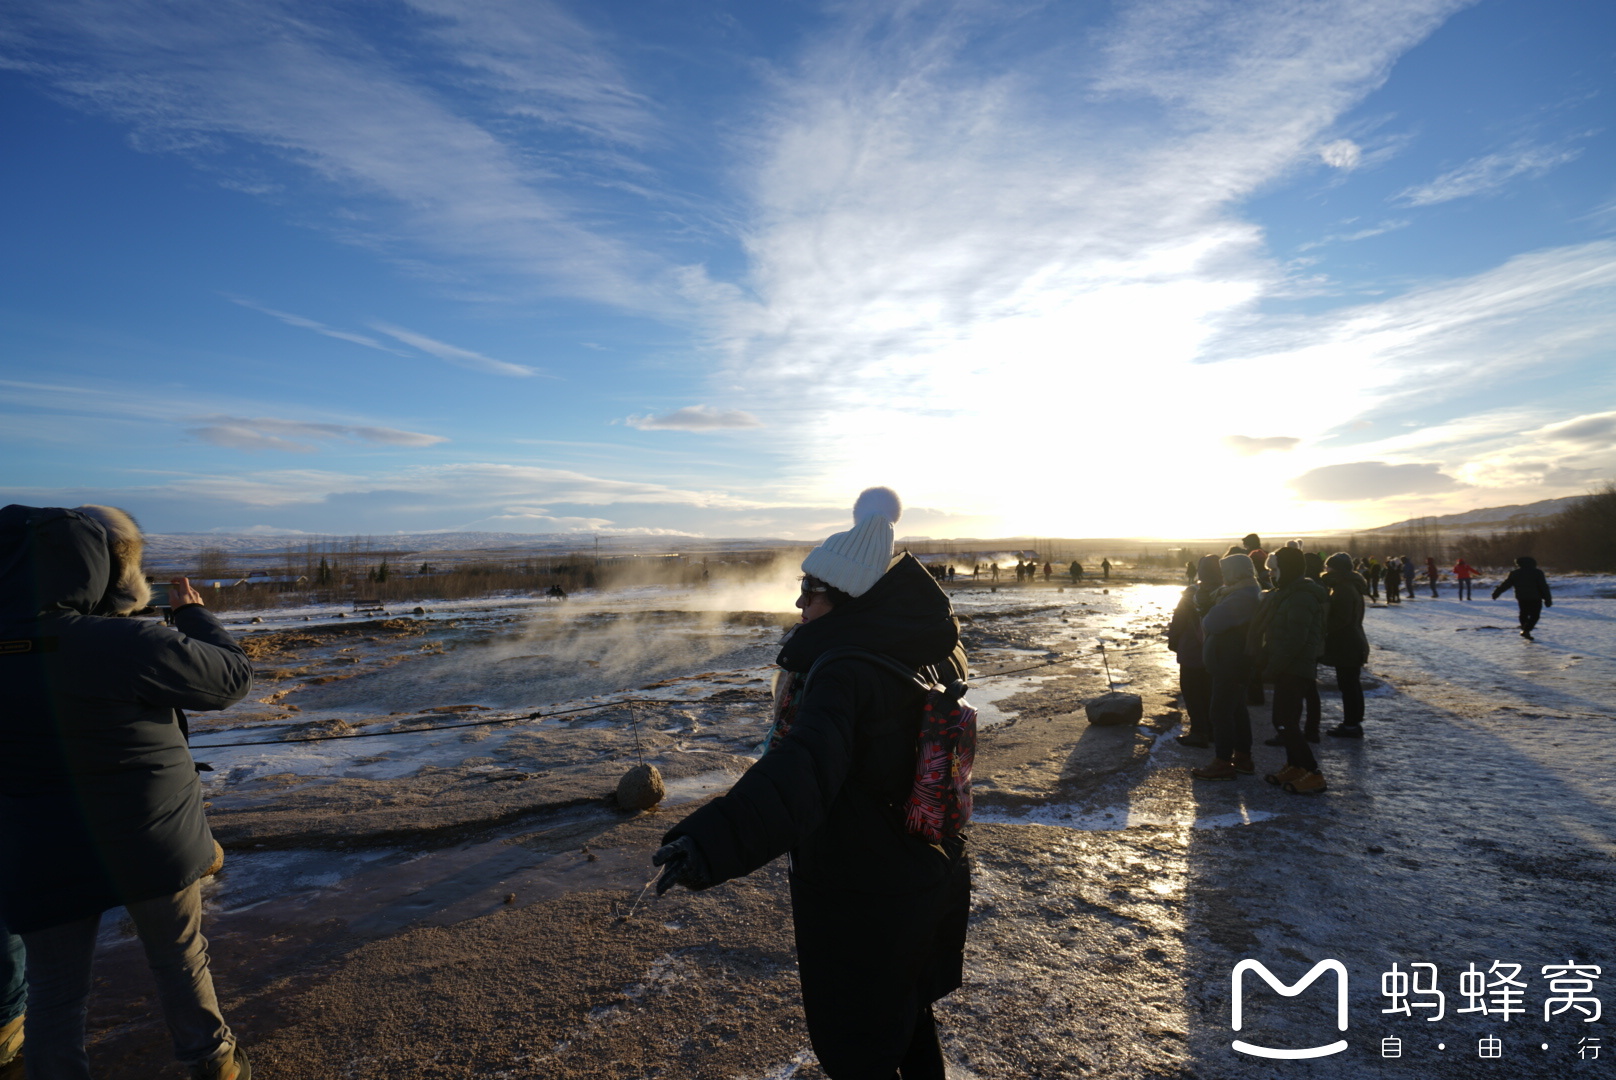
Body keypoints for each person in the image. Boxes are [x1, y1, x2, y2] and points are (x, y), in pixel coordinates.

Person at [652, 488, 969, 1079]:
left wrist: (710, 842)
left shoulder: (845, 671)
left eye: (809, 592)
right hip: (925, 865)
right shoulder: (919, 651)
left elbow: (803, 771)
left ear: (844, 598)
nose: (798, 604)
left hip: (864, 886)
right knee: (907, 1017)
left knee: (861, 1044)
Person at [0, 505, 254, 1080]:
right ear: (90, 565)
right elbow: (231, 678)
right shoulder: (123, 643)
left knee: (56, 994)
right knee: (180, 958)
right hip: (150, 837)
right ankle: (212, 1061)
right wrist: (194, 616)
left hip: (38, 852)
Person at [1255, 547, 1329, 793]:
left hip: (1295, 667)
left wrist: (1273, 667)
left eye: (1275, 570)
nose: (1272, 575)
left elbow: (1295, 639)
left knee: (1285, 721)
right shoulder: (1288, 593)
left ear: (1288, 569)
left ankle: (1312, 772)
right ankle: (1295, 765)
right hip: (1289, 666)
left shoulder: (1301, 597)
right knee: (1284, 720)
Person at [1191, 552, 1262, 780]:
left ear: (1235, 572)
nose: (1223, 576)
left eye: (1226, 571)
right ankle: (1242, 757)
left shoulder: (1243, 596)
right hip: (1230, 661)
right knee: (1237, 710)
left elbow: (1212, 621)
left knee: (1220, 712)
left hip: (1231, 662)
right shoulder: (1238, 592)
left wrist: (1209, 611)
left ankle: (1223, 761)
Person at [1168, 555, 1221, 748]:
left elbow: (1178, 622)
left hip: (1191, 651)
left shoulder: (1192, 593)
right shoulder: (1225, 593)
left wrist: (1174, 643)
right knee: (1210, 693)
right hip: (1216, 653)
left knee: (1192, 693)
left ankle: (1199, 732)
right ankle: (1213, 731)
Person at [1320, 553, 1370, 739]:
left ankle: (1351, 724)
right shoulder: (1349, 586)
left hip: (1347, 643)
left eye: (1328, 567)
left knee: (1348, 684)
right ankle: (1353, 722)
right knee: (1351, 684)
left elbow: (1341, 618)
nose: (1326, 570)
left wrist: (1322, 628)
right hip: (1352, 641)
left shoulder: (1343, 589)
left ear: (1336, 569)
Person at [1492, 556, 1553, 640]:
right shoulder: (1538, 572)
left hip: (1522, 597)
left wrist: (1497, 592)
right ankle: (1526, 630)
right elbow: (1543, 587)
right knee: (1535, 615)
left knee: (1523, 613)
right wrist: (1548, 599)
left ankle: (1525, 629)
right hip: (1535, 597)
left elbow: (1506, 584)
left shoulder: (1515, 573)